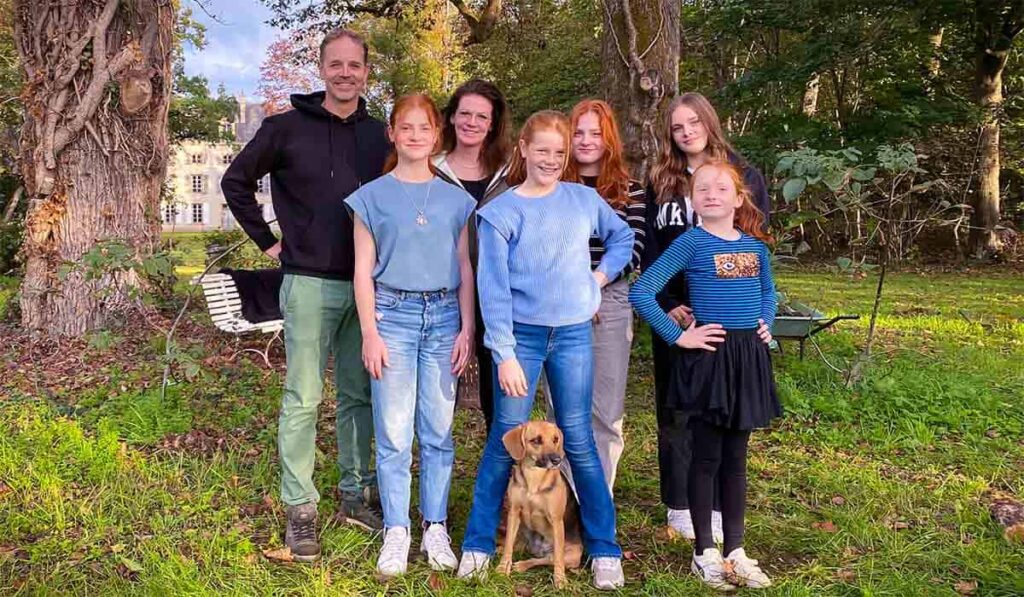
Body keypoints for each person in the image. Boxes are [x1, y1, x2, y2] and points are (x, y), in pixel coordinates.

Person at [221, 28, 389, 562]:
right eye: (335, 64)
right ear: (322, 70)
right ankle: (300, 507)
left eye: (354, 65)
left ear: (366, 71)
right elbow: (235, 182)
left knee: (359, 395)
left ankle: (355, 494)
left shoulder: (381, 137)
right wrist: (268, 242)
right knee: (303, 398)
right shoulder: (284, 128)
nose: (345, 73)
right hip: (308, 283)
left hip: (367, 286)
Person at [456, 110, 634, 591]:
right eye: (543, 151)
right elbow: (492, 289)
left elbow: (623, 238)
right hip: (523, 338)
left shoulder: (584, 199)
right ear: (524, 150)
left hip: (574, 332)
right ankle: (476, 545)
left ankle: (604, 549)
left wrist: (598, 279)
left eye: (560, 152)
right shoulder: (501, 212)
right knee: (504, 439)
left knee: (577, 438)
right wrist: (505, 352)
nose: (552, 160)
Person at [630, 161, 779, 590]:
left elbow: (768, 292)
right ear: (693, 201)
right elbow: (643, 291)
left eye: (721, 188)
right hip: (708, 359)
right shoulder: (691, 244)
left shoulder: (755, 248)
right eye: (702, 189)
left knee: (736, 460)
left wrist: (765, 324)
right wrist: (679, 337)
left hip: (747, 360)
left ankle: (736, 549)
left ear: (738, 198)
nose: (711, 194)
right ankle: (704, 551)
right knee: (706, 457)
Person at [347, 94, 477, 577]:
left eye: (425, 128)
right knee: (395, 432)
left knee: (438, 432)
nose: (416, 136)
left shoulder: (456, 199)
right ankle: (397, 529)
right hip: (393, 318)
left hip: (444, 318)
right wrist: (369, 332)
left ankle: (435, 525)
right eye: (407, 128)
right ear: (394, 134)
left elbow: (465, 266)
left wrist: (467, 327)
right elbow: (362, 271)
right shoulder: (370, 196)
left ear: (436, 136)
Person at [643, 92, 771, 542]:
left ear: (709, 123)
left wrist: (759, 313)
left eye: (693, 123)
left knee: (726, 415)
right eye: (677, 127)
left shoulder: (742, 173)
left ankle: (720, 509)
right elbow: (653, 247)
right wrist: (668, 303)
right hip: (677, 311)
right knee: (678, 409)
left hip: (727, 315)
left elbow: (752, 244)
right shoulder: (661, 177)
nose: (686, 132)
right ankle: (679, 502)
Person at [551, 98, 647, 490]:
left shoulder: (631, 190)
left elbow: (633, 248)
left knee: (606, 411)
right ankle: (566, 506)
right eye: (578, 132)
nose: (587, 140)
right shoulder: (552, 187)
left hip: (609, 301)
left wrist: (594, 285)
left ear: (609, 139)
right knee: (564, 411)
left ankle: (597, 506)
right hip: (557, 302)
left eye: (596, 133)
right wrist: (574, 292)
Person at [433, 79, 512, 433]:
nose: (472, 122)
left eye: (482, 116)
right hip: (443, 295)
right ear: (451, 117)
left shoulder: (512, 173)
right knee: (439, 394)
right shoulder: (431, 170)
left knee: (500, 395)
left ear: (493, 124)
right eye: (465, 113)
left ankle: (502, 479)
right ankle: (437, 475)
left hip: (500, 296)